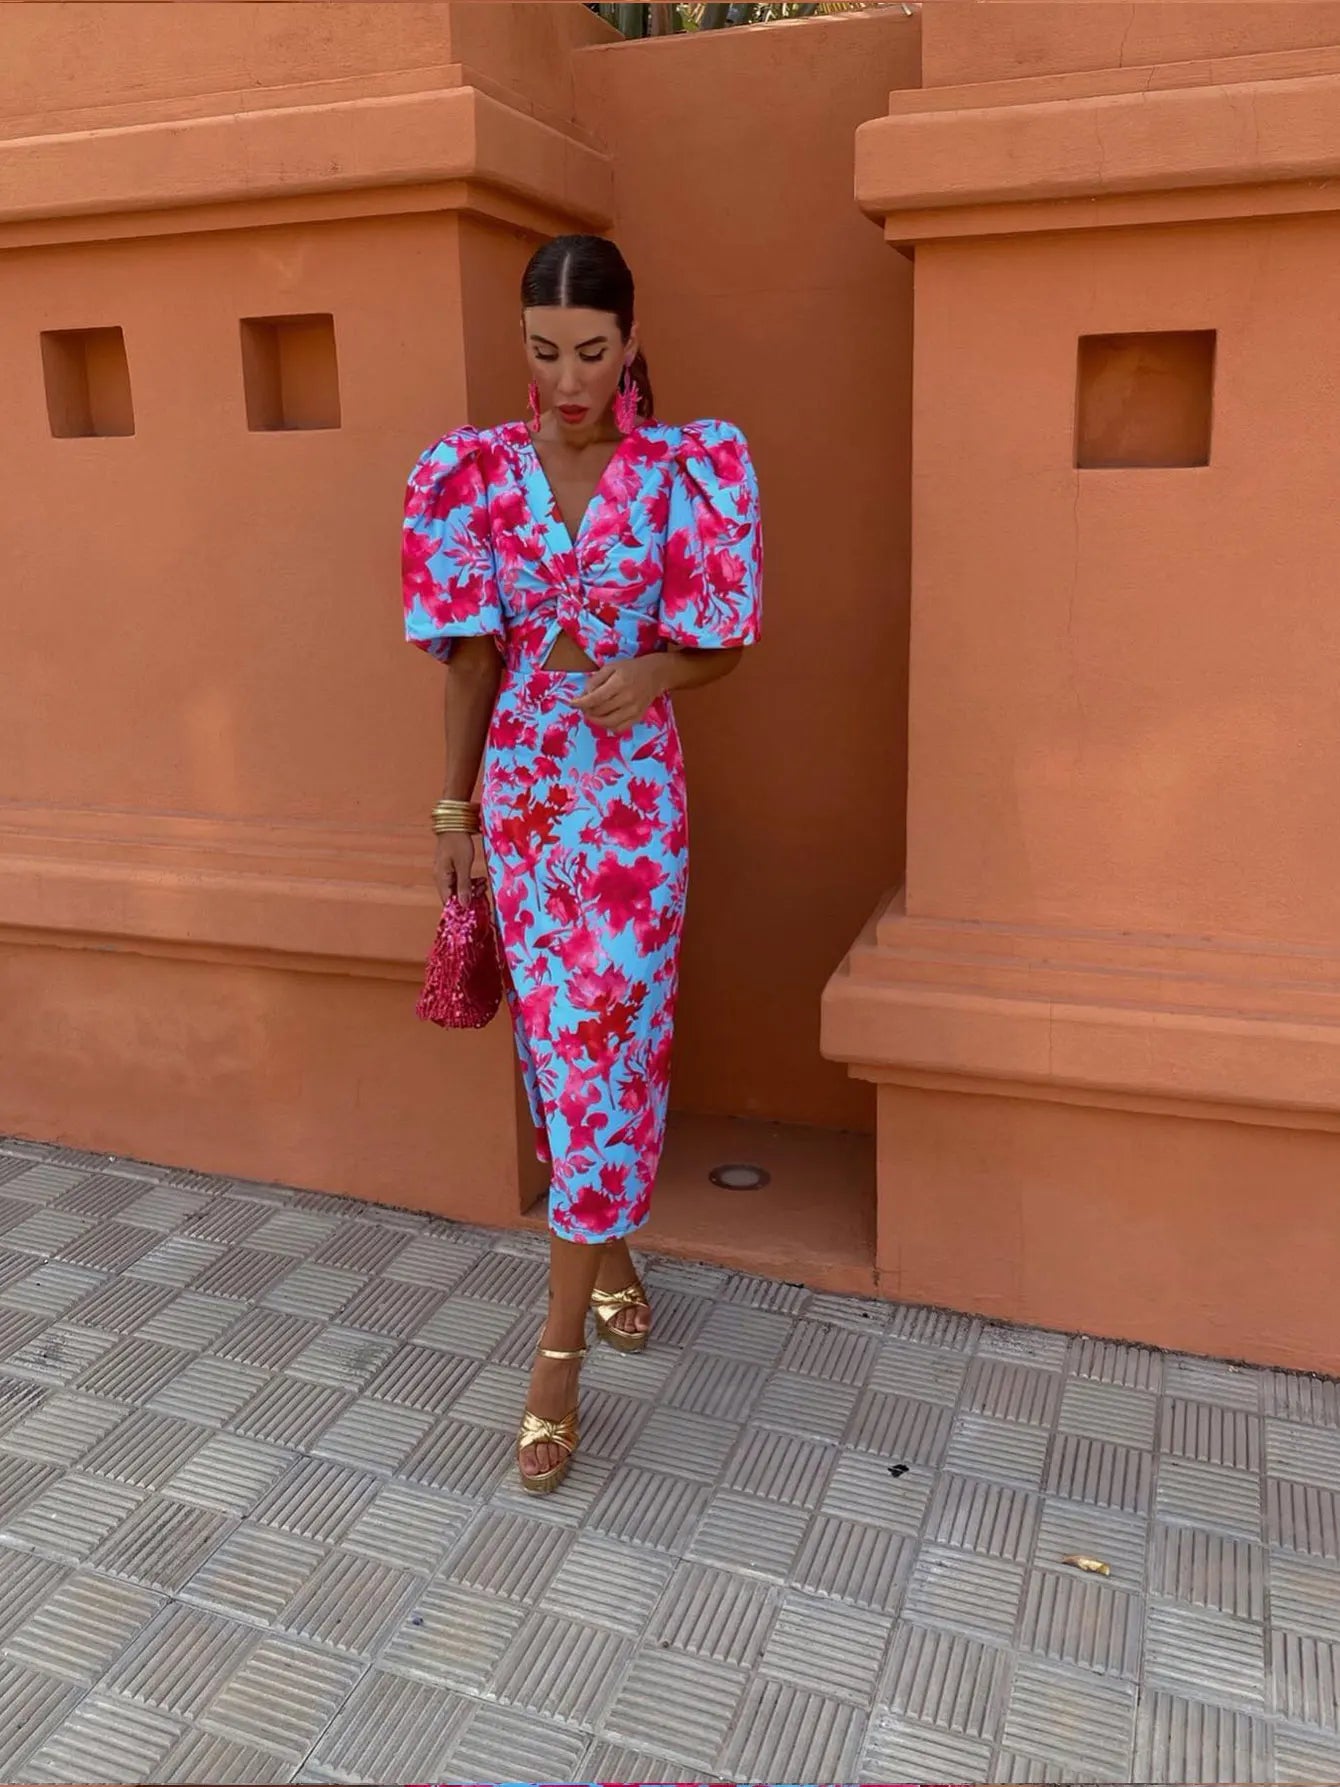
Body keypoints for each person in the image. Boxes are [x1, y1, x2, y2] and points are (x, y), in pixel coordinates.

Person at [402, 233, 762, 1493]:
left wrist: (659, 666)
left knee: (603, 1048)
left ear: (628, 339)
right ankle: (606, 1254)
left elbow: (723, 640)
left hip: (630, 813)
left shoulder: (684, 470)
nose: (567, 379)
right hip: (523, 797)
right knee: (554, 1051)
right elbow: (469, 660)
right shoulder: (469, 474)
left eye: (592, 352)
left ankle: (553, 1358)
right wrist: (454, 818)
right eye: (544, 351)